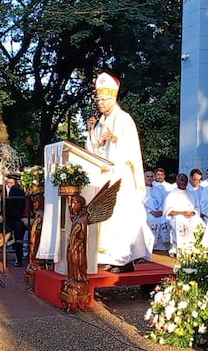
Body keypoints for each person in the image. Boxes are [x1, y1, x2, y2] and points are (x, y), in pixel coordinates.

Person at [84, 72, 154, 273]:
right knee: (107, 221)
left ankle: (125, 260)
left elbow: (132, 149)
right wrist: (91, 134)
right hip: (105, 179)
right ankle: (111, 257)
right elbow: (94, 152)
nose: (100, 104)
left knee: (120, 219)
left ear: (113, 98)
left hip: (121, 180)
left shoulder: (124, 119)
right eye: (98, 100)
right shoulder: (100, 123)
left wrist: (116, 140)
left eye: (103, 100)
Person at [163, 173, 203, 252]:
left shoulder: (191, 194)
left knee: (200, 222)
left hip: (191, 217)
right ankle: (180, 249)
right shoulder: (171, 195)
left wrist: (193, 213)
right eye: (181, 180)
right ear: (177, 181)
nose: (183, 182)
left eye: (185, 180)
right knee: (181, 221)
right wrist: (182, 213)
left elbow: (197, 208)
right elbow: (167, 212)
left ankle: (195, 249)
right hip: (177, 218)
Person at [63, 195, 90, 299]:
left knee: (77, 263)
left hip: (79, 248)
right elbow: (71, 214)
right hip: (72, 246)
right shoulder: (76, 217)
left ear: (81, 205)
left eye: (75, 204)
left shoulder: (83, 219)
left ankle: (79, 280)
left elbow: (82, 235)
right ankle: (72, 278)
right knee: (71, 263)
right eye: (73, 204)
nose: (73, 206)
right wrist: (68, 200)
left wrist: (74, 247)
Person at [4, 173, 28, 267]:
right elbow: (12, 207)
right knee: (19, 230)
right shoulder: (15, 190)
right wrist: (21, 218)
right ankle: (19, 257)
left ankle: (21, 257)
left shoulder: (17, 189)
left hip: (24, 217)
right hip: (18, 218)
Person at [143, 170, 170, 251]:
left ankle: (163, 246)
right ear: (144, 178)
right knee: (152, 219)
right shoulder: (141, 190)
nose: (149, 178)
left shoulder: (157, 190)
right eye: (147, 176)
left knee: (165, 220)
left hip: (158, 212)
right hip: (146, 212)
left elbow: (162, 202)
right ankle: (150, 245)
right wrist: (150, 211)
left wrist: (161, 211)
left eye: (151, 177)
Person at [25, 194, 46, 280]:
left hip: (37, 238)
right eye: (33, 203)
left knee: (35, 250)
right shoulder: (37, 215)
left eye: (35, 202)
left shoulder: (41, 216)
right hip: (34, 237)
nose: (34, 204)